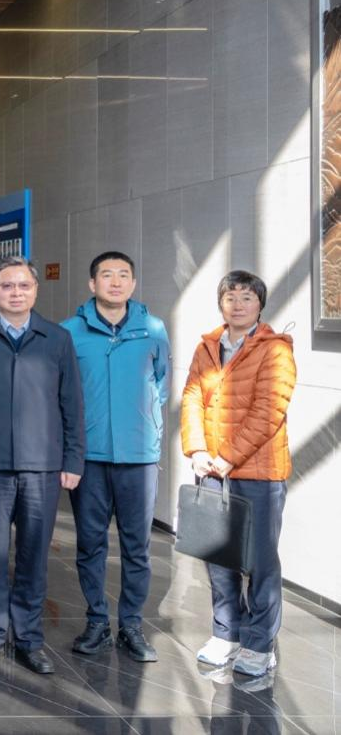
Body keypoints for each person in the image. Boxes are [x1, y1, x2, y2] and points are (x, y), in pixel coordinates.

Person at [0, 255, 85, 675]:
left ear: (35, 290)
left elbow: (72, 403)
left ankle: (29, 639)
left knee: (33, 558)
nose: (16, 293)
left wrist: (73, 459)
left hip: (42, 467)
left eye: (23, 286)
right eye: (7, 286)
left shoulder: (57, 338)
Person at [181, 270, 296, 678]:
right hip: (212, 468)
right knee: (219, 558)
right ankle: (226, 634)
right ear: (221, 303)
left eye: (247, 297)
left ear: (260, 304)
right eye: (230, 297)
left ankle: (260, 644)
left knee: (260, 561)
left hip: (260, 472)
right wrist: (197, 450)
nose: (238, 304)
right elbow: (192, 396)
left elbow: (269, 409)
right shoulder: (207, 346)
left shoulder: (276, 350)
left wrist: (227, 457)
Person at [62, 252, 170, 663]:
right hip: (89, 456)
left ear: (133, 283)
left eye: (123, 275)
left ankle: (131, 626)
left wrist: (149, 428)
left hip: (138, 457)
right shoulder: (69, 332)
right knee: (90, 544)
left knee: (136, 546)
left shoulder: (153, 328)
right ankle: (96, 622)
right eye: (106, 275)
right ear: (92, 284)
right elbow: (62, 392)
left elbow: (161, 383)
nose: (115, 281)